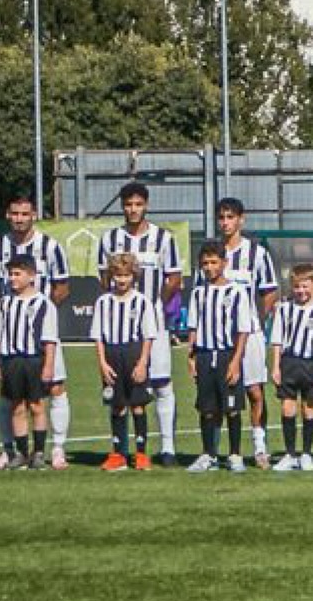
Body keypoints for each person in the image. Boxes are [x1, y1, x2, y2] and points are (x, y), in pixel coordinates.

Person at [95, 182, 183, 464]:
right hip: (120, 325)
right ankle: (121, 451)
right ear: (122, 206)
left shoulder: (163, 238)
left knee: (161, 382)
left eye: (138, 204)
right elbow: (103, 278)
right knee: (119, 386)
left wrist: (155, 303)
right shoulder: (110, 239)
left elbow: (174, 278)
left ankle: (167, 446)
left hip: (152, 320)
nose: (133, 210)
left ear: (146, 205)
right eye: (128, 205)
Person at [0, 193, 71, 469]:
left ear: (34, 214)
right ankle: (9, 450)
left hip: (43, 336)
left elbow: (62, 287)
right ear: (8, 215)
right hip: (12, 341)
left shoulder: (51, 247)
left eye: (25, 213)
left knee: (55, 388)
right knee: (10, 396)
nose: (20, 219)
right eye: (15, 213)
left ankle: (56, 448)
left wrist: (39, 313)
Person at [213, 196, 279, 469]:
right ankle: (216, 450)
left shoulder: (256, 253)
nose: (226, 223)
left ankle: (260, 447)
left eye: (231, 217)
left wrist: (255, 319)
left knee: (254, 391)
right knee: (219, 394)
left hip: (250, 334)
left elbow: (270, 292)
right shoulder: (213, 254)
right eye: (222, 217)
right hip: (218, 336)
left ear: (241, 219)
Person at [186, 241, 255, 474]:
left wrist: (236, 362)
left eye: (214, 262)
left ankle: (235, 454)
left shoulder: (236, 292)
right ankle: (208, 454)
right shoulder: (198, 293)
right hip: (205, 355)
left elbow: (243, 330)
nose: (209, 267)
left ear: (224, 263)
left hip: (227, 354)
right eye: (205, 263)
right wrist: (191, 357)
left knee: (232, 408)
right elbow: (193, 327)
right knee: (207, 408)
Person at [90, 251, 160, 472]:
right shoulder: (103, 302)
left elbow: (148, 335)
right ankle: (118, 453)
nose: (122, 280)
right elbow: (98, 336)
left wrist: (142, 363)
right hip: (112, 355)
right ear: (111, 276)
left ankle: (140, 453)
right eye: (117, 276)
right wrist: (102, 363)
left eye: (126, 275)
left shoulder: (141, 302)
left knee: (137, 405)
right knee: (117, 406)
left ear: (134, 276)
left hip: (133, 353)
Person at [0, 256, 59, 471]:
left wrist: (48, 366)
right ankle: (21, 453)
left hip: (34, 360)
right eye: (10, 274)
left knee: (37, 406)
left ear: (31, 276)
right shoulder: (6, 302)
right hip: (12, 360)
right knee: (16, 406)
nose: (12, 278)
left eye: (17, 274)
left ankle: (38, 452)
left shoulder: (44, 304)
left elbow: (49, 339)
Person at [271, 264, 313, 472]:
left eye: (305, 286)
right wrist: (275, 367)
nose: (301, 291)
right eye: (297, 287)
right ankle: (290, 454)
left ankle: (306, 453)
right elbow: (277, 340)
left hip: (310, 364)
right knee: (287, 407)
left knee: (308, 407)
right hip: (289, 362)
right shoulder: (285, 309)